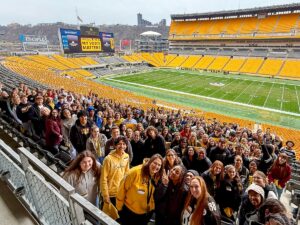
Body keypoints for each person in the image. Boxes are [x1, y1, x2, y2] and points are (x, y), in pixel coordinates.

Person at [116, 154, 164, 225]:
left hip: (146, 213)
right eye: (155, 163)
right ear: (150, 162)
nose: (156, 166)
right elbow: (122, 189)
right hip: (130, 212)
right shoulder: (135, 172)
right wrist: (119, 209)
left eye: (159, 165)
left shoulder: (157, 176)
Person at [100, 136, 130, 207]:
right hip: (110, 193)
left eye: (124, 144)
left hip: (121, 192)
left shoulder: (126, 156)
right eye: (119, 144)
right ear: (115, 145)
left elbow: (127, 174)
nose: (122, 146)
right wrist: (105, 195)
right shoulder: (108, 159)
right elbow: (103, 178)